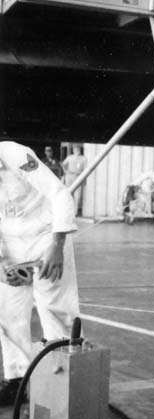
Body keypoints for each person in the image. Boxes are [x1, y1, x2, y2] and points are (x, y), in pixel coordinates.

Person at [0, 141, 79, 405]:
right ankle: (17, 380)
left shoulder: (14, 154)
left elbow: (59, 194)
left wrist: (57, 246)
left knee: (54, 310)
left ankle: (61, 383)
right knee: (8, 315)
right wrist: (1, 265)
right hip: (11, 245)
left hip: (47, 239)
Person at [62, 144, 88, 215]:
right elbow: (63, 164)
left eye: (78, 149)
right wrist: (66, 171)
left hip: (78, 177)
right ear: (73, 150)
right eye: (75, 149)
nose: (77, 150)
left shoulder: (83, 158)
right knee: (69, 194)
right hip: (69, 176)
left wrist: (82, 177)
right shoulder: (70, 157)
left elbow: (86, 169)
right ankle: (67, 212)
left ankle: (75, 213)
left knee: (78, 195)